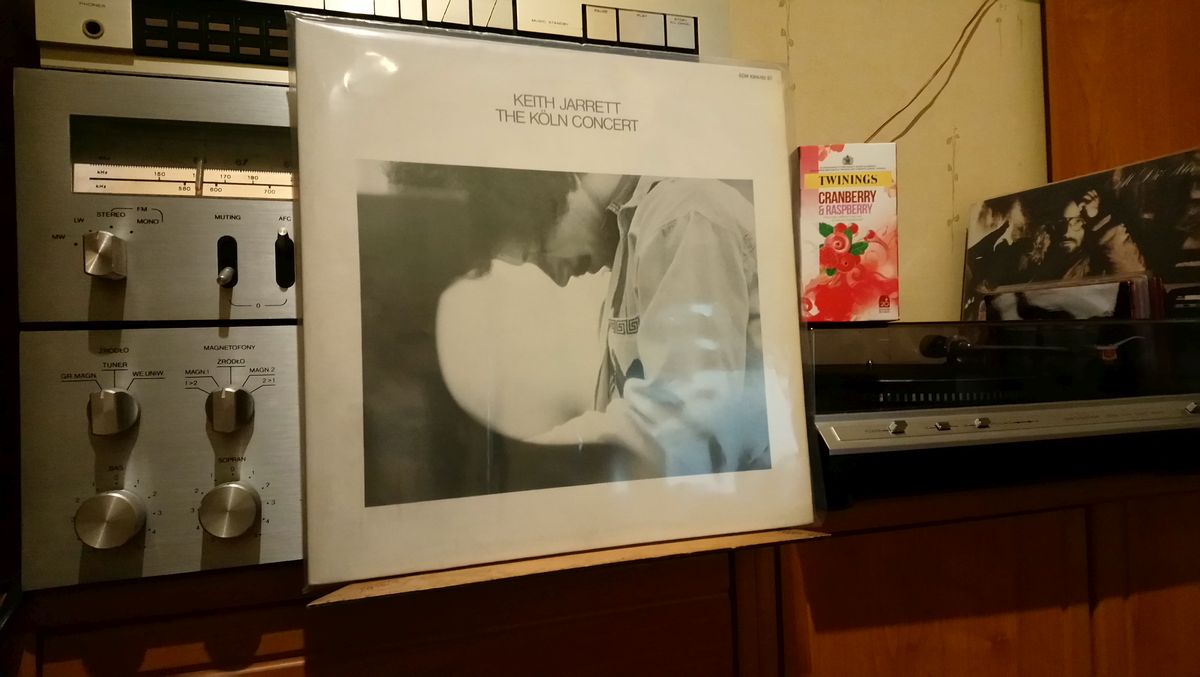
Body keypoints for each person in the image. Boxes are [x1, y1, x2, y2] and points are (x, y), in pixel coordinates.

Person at [459, 169, 770, 479]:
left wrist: (532, 462)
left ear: (562, 191)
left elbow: (688, 430)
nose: (559, 278)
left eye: (539, 252)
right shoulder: (637, 234)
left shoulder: (680, 215)